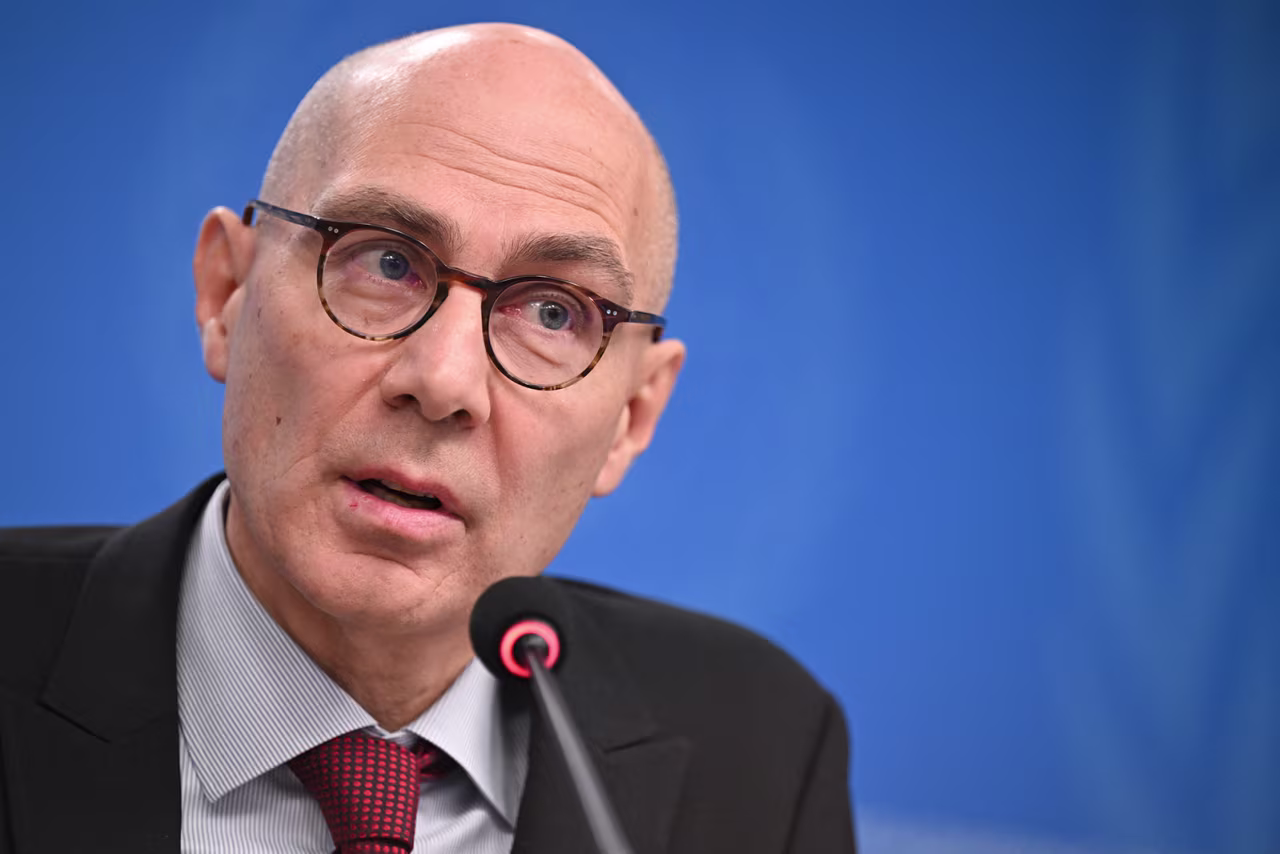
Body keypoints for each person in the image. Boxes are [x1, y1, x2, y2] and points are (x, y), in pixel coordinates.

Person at [0, 23, 855, 854]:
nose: (442, 382)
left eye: (552, 313)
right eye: (384, 262)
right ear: (227, 291)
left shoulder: (759, 748)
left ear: (633, 416)